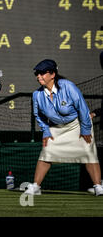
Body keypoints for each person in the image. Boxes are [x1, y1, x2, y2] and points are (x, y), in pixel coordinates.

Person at [25, 59, 102, 196]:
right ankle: (36, 187)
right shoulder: (37, 95)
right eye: (37, 74)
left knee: (89, 153)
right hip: (56, 128)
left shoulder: (68, 86)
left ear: (52, 74)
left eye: (43, 73)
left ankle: (98, 186)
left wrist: (84, 129)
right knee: (46, 153)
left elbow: (82, 108)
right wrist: (46, 131)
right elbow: (38, 116)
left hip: (78, 124)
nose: (39, 76)